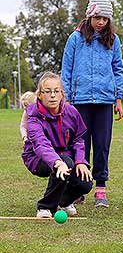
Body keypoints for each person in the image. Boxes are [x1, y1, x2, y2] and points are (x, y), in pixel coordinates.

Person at [61, 0, 123, 208]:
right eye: (97, 17)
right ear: (89, 16)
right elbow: (66, 70)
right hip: (79, 101)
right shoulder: (75, 39)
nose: (101, 22)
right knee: (80, 144)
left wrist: (118, 99)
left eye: (105, 18)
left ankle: (101, 188)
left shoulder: (113, 40)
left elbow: (118, 70)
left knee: (102, 145)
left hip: (105, 102)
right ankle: (80, 187)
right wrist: (66, 99)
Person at [21, 72, 93, 218]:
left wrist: (80, 161)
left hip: (65, 156)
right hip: (37, 158)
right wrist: (57, 162)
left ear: (62, 94)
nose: (52, 95)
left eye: (56, 91)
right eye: (47, 92)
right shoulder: (33, 117)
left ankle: (65, 202)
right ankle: (45, 207)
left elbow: (78, 139)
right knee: (64, 163)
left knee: (85, 181)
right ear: (39, 95)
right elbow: (41, 145)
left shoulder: (72, 112)